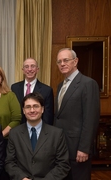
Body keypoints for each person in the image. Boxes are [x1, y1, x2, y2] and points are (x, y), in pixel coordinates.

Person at [54, 48, 100, 180]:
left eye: (66, 60)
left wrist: (84, 148)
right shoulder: (60, 86)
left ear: (75, 61)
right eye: (59, 61)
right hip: (62, 147)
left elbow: (91, 119)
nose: (62, 64)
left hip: (78, 149)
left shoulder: (88, 84)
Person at [5, 92, 70, 180]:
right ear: (23, 110)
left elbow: (63, 164)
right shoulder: (14, 133)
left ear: (42, 109)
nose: (32, 110)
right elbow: (9, 162)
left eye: (36, 106)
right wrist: (22, 178)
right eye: (28, 107)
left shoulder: (57, 134)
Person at [11, 58, 54, 125]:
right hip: (18, 130)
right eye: (26, 67)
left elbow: (48, 116)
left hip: (38, 130)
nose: (30, 69)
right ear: (23, 70)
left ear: (37, 69)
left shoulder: (47, 90)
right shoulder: (14, 88)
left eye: (33, 66)